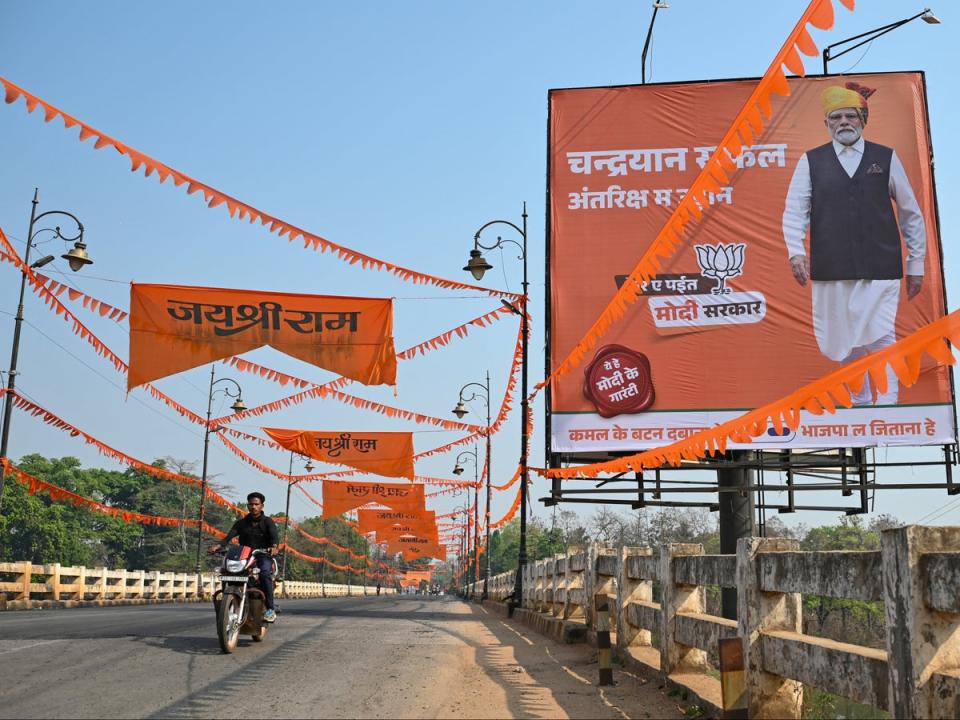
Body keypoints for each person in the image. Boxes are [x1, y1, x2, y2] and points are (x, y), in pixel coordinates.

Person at [782, 81, 926, 406]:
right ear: (826, 123)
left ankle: (887, 402)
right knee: (840, 340)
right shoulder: (811, 161)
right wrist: (795, 252)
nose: (844, 122)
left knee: (880, 331)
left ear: (862, 120)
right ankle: (860, 397)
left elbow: (910, 214)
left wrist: (915, 265)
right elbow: (795, 211)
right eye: (837, 117)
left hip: (881, 265)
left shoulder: (885, 158)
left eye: (851, 116)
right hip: (832, 267)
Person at [210, 492, 280, 622]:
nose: (253, 507)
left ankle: (270, 609)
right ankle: (228, 599)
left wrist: (274, 547)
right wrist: (219, 545)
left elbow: (274, 537)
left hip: (262, 555)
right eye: (251, 504)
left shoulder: (267, 522)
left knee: (265, 573)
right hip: (244, 556)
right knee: (226, 570)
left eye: (256, 504)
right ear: (247, 505)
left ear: (262, 506)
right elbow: (228, 537)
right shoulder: (241, 523)